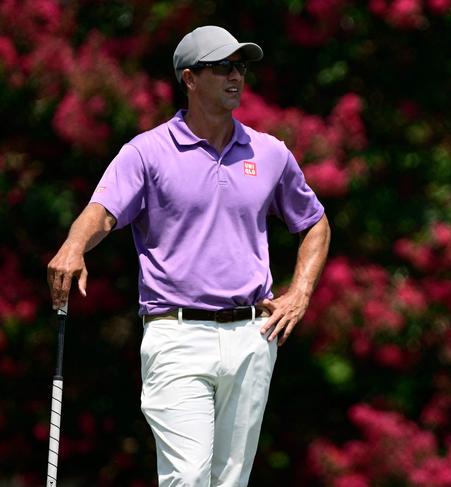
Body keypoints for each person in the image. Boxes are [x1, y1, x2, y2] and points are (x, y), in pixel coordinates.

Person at [47, 25, 331, 486]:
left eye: (240, 66)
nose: (235, 76)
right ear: (190, 78)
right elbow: (103, 212)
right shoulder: (147, 152)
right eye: (221, 67)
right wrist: (74, 246)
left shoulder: (270, 152)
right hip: (176, 336)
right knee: (188, 476)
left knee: (230, 481)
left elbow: (314, 223)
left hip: (252, 336)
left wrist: (300, 292)